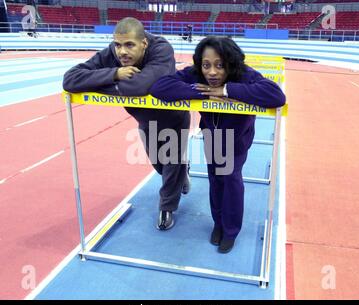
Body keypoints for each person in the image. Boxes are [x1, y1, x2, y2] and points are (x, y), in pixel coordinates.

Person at [150, 36, 286, 253]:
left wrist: (226, 90)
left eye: (220, 65)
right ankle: (218, 224)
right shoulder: (198, 74)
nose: (212, 72)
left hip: (237, 138)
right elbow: (160, 88)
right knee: (215, 178)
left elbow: (276, 95)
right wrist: (202, 91)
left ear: (231, 64)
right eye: (207, 65)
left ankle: (230, 231)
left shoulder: (244, 74)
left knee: (230, 179)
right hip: (211, 136)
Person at [63, 17, 190, 231]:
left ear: (144, 44)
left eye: (129, 45)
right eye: (118, 45)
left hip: (174, 119)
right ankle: (181, 174)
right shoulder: (113, 53)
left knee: (171, 164)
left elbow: (139, 86)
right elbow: (70, 79)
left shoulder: (162, 49)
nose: (122, 52)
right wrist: (114, 73)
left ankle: (167, 208)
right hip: (145, 121)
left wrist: (97, 84)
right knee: (160, 166)